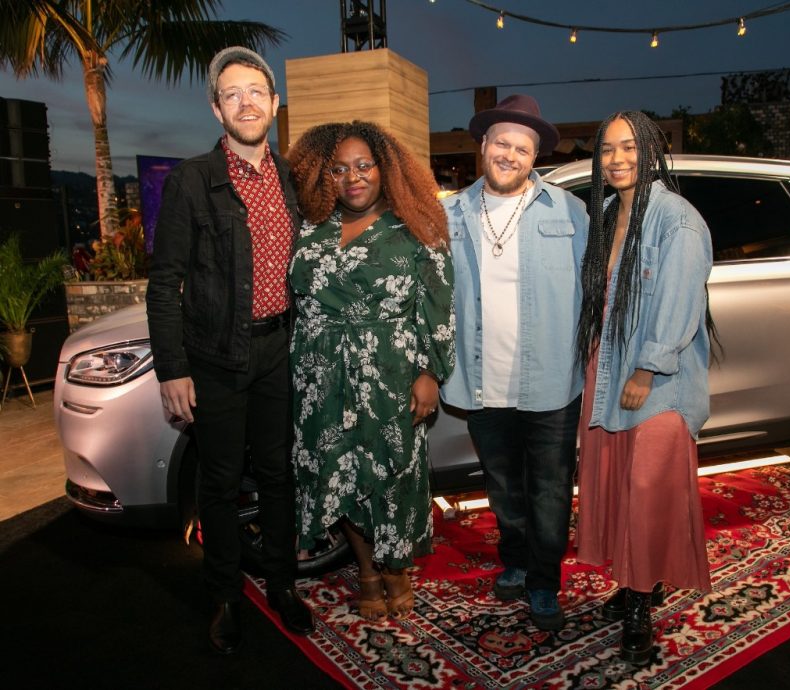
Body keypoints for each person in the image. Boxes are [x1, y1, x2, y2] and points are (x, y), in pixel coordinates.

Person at [146, 46, 314, 655]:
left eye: (256, 91)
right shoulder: (194, 179)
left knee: (278, 475)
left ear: (274, 102)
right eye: (232, 93)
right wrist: (173, 369)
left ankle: (284, 586)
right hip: (216, 357)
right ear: (216, 108)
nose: (246, 102)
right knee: (218, 484)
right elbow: (164, 282)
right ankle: (224, 595)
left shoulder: (292, 177)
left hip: (279, 351)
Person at [285, 121, 455, 623]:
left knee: (392, 477)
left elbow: (440, 306)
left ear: (386, 169)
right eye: (339, 169)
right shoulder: (310, 227)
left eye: (364, 166)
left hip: (389, 374)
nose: (352, 178)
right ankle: (366, 572)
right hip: (319, 376)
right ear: (323, 174)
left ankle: (396, 569)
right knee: (339, 476)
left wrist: (430, 373)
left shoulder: (417, 228)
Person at [440, 94, 589, 632]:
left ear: (535, 158)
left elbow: (593, 292)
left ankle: (545, 581)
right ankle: (517, 561)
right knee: (503, 484)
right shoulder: (449, 213)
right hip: (480, 383)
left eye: (522, 148)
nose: (510, 154)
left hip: (551, 381)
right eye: (501, 142)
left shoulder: (569, 211)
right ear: (483, 146)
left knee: (550, 487)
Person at [574, 111, 713, 665]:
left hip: (653, 382)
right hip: (608, 371)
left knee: (647, 492)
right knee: (619, 485)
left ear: (651, 150)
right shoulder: (608, 214)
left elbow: (679, 302)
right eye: (607, 150)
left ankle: (638, 605)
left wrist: (645, 371)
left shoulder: (675, 219)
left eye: (629, 147)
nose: (618, 160)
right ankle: (638, 582)